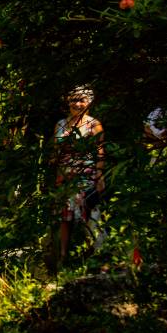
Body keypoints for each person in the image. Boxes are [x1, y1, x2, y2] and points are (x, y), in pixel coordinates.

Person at [53, 86, 105, 266]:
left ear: (89, 102)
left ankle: (89, 255)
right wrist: (57, 175)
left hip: (86, 175)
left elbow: (99, 150)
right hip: (65, 177)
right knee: (64, 217)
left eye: (82, 99)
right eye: (74, 100)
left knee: (87, 215)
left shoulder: (94, 124)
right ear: (68, 102)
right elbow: (55, 152)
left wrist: (99, 176)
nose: (77, 103)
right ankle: (62, 256)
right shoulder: (60, 124)